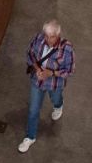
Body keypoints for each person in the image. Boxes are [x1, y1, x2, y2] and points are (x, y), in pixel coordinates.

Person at [19, 19, 75, 152]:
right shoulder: (38, 39)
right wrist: (37, 68)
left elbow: (70, 71)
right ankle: (30, 137)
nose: (48, 40)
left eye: (52, 37)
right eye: (46, 36)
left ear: (58, 34)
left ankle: (58, 105)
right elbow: (30, 54)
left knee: (55, 99)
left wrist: (51, 73)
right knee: (33, 110)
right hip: (37, 82)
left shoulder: (67, 48)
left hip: (54, 84)